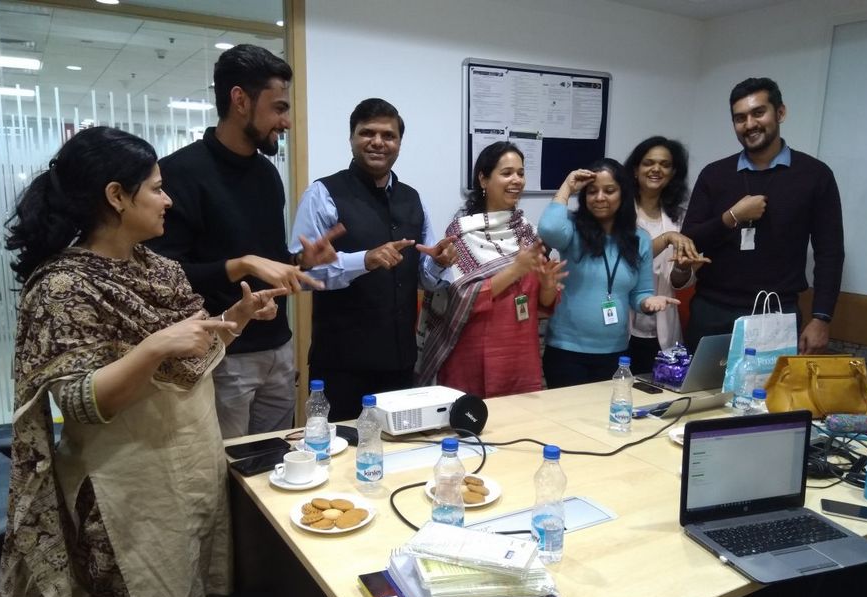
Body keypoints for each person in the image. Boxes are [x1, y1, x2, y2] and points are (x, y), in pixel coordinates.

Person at [0, 126, 288, 597]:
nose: (168, 199)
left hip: (185, 474)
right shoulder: (63, 287)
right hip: (123, 493)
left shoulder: (158, 268)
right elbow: (82, 402)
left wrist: (237, 320)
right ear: (116, 196)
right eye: (156, 188)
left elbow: (187, 362)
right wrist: (154, 346)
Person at [147, 44, 334, 439]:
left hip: (278, 349)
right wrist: (241, 264)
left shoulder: (267, 175)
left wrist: (300, 260)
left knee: (273, 464)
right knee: (226, 474)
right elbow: (163, 279)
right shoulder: (180, 173)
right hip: (220, 352)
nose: (286, 122)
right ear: (240, 100)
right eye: (279, 108)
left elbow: (267, 261)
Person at [290, 98, 456, 422]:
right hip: (341, 365)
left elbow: (424, 277)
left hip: (400, 362)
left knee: (398, 451)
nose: (378, 142)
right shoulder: (322, 194)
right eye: (367, 133)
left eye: (388, 135)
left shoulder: (412, 198)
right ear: (352, 138)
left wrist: (438, 262)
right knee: (339, 454)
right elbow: (301, 276)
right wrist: (363, 260)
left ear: (399, 143)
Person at [681, 77, 844, 355]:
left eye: (759, 113)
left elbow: (829, 252)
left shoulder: (814, 175)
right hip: (712, 311)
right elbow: (690, 239)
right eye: (740, 118)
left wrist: (822, 317)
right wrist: (731, 217)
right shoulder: (715, 174)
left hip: (776, 313)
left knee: (766, 398)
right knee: (701, 396)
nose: (750, 124)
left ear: (780, 113)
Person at [415, 141, 566, 398]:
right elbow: (459, 300)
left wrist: (549, 288)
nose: (516, 180)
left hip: (521, 353)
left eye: (520, 173)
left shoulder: (527, 232)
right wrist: (515, 270)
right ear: (483, 179)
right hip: (472, 354)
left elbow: (540, 304)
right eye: (506, 173)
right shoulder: (461, 234)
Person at [538, 159, 680, 387]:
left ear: (623, 193)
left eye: (609, 190)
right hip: (566, 350)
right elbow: (549, 229)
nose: (600, 197)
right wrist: (566, 187)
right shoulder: (572, 229)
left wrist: (648, 302)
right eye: (592, 191)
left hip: (616, 353)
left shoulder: (639, 239)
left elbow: (640, 294)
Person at [622, 136, 710, 372]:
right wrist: (666, 239)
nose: (656, 169)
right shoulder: (619, 211)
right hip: (621, 324)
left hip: (662, 327)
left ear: (673, 173)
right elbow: (622, 258)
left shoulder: (681, 218)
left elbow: (679, 282)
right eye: (648, 162)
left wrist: (683, 268)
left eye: (664, 164)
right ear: (635, 170)